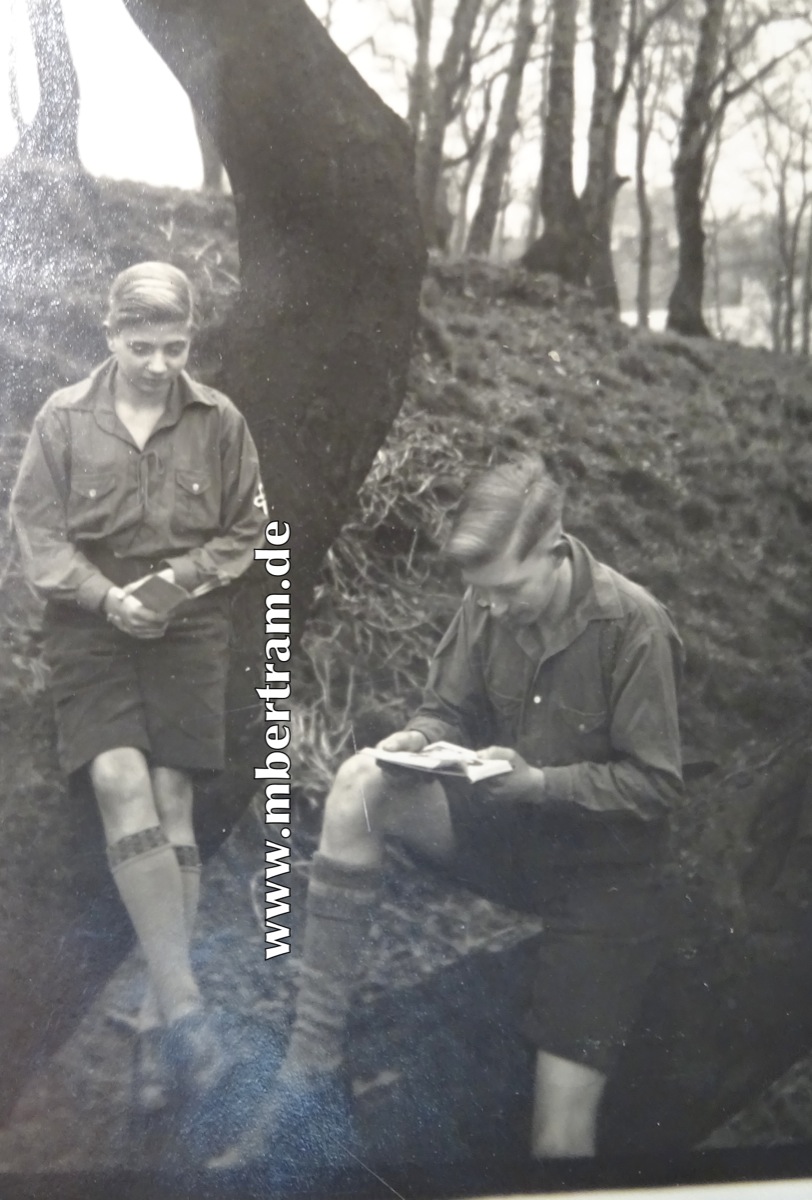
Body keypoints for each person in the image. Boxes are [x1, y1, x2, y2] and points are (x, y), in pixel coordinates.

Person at [215, 454, 683, 1167]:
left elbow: (655, 787)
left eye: (507, 591)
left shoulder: (634, 625)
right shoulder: (488, 600)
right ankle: (309, 1066)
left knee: (559, 1135)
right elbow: (447, 710)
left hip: (604, 879)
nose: (492, 608)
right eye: (482, 594)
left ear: (556, 553)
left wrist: (541, 784)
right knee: (360, 781)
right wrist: (421, 738)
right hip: (509, 837)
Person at [10, 261, 267, 1112]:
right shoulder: (63, 418)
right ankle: (189, 1011)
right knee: (122, 779)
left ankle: (159, 1026)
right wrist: (105, 596)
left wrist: (178, 586)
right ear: (110, 334)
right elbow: (38, 533)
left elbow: (246, 530)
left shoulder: (219, 421)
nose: (159, 364)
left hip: (187, 622)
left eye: (176, 345)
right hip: (90, 624)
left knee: (172, 795)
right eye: (141, 344)